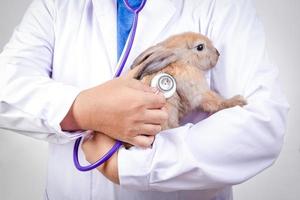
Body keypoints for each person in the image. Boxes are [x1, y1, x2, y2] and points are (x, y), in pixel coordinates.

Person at [0, 0, 289, 199]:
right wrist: (84, 109)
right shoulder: (56, 5)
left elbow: (263, 122)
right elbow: (6, 85)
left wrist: (131, 166)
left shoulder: (222, 5)